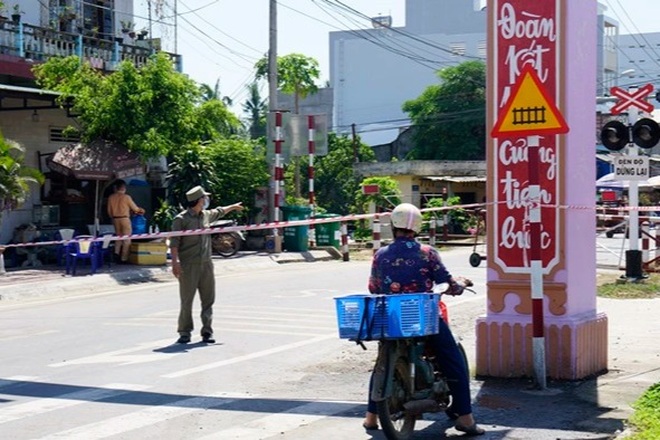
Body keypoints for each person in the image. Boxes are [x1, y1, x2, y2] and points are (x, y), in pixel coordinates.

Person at [362, 203, 485, 436]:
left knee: (381, 363)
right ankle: (466, 420)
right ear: (417, 227)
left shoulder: (380, 255)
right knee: (454, 362)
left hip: (391, 318)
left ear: (393, 225)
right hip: (423, 317)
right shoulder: (427, 253)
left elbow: (373, 286)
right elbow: (447, 281)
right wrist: (457, 286)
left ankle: (371, 417)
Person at [170, 185, 244, 344]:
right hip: (188, 265)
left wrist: (232, 207)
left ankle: (207, 332)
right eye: (204, 198)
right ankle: (184, 332)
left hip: (206, 264)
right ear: (198, 200)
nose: (206, 200)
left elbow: (219, 211)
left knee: (208, 299)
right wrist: (175, 263)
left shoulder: (206, 216)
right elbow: (174, 243)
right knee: (187, 300)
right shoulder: (181, 220)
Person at [107, 179, 145, 264]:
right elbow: (135, 209)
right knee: (127, 238)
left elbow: (109, 212)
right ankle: (124, 258)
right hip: (125, 218)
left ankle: (116, 254)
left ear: (115, 188)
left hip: (115, 219)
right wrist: (141, 210)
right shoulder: (126, 197)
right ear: (124, 188)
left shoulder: (111, 197)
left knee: (118, 237)